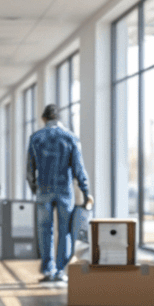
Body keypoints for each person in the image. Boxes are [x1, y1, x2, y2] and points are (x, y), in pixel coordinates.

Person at [27, 104, 94, 282]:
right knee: (65, 230)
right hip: (65, 191)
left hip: (44, 190)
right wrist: (86, 191)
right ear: (59, 118)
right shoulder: (71, 137)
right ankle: (60, 271)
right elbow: (79, 168)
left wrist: (35, 188)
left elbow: (29, 169)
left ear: (44, 118)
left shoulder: (35, 138)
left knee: (45, 230)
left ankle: (48, 269)